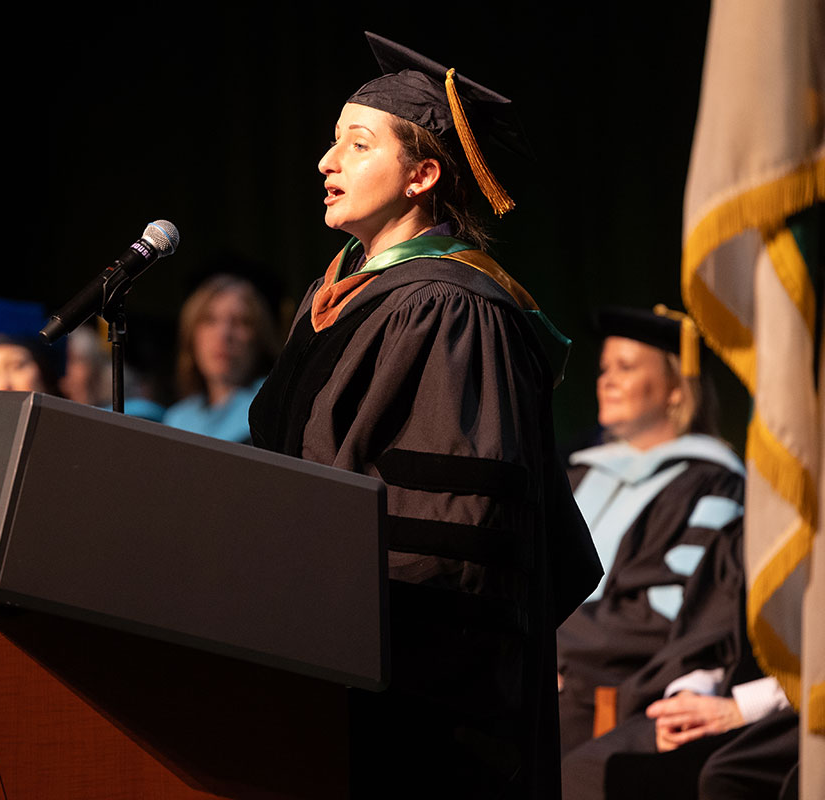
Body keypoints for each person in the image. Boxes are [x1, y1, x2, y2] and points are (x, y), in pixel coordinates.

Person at [247, 32, 600, 799]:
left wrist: (345, 641)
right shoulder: (333, 294)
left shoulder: (453, 309)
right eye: (330, 142)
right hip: (315, 652)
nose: (325, 162)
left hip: (413, 694)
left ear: (423, 175)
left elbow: (455, 535)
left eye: (357, 143)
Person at [556, 307, 762, 800]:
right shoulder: (576, 474)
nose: (606, 380)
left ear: (675, 389)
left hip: (615, 690)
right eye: (604, 368)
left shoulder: (713, 485)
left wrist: (543, 645)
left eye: (626, 368)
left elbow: (664, 617)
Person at [163, 275, 278, 443]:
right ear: (191, 336)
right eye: (210, 320)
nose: (224, 334)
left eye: (240, 322)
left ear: (259, 339)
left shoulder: (275, 409)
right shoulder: (176, 420)